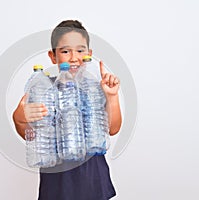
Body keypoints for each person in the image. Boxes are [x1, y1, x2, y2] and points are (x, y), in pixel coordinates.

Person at [13, 20, 122, 200]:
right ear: (53, 56)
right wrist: (19, 119)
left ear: (89, 54)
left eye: (80, 50)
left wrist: (111, 97)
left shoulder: (95, 87)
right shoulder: (44, 88)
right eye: (65, 51)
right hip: (56, 184)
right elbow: (31, 135)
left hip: (93, 180)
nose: (74, 57)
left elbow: (113, 128)